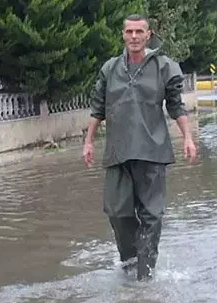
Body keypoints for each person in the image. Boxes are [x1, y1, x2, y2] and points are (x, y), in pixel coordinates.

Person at [83, 14, 197, 281]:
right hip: (118, 153)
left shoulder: (164, 67)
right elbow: (97, 108)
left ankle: (145, 276)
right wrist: (88, 141)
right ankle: (131, 263)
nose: (134, 37)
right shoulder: (110, 68)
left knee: (152, 216)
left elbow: (176, 106)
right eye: (129, 32)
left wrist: (188, 138)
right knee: (117, 212)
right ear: (123, 35)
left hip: (152, 152)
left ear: (149, 35)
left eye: (139, 32)